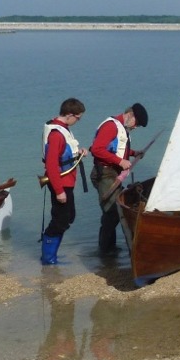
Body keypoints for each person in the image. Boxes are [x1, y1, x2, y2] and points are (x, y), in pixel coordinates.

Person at [90, 103, 148, 255]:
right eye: (137, 123)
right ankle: (105, 250)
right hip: (105, 173)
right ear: (130, 115)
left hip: (111, 172)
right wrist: (120, 162)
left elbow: (117, 149)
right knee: (112, 212)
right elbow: (96, 149)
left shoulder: (121, 128)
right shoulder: (111, 126)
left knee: (114, 211)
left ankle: (109, 247)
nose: (136, 127)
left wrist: (134, 153)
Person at [40, 98, 87, 265]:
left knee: (68, 217)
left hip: (67, 182)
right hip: (60, 183)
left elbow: (66, 152)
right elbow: (52, 164)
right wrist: (59, 191)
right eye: (78, 118)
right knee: (60, 220)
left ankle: (52, 255)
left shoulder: (63, 129)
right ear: (69, 115)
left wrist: (79, 152)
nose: (78, 121)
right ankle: (48, 259)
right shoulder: (56, 135)